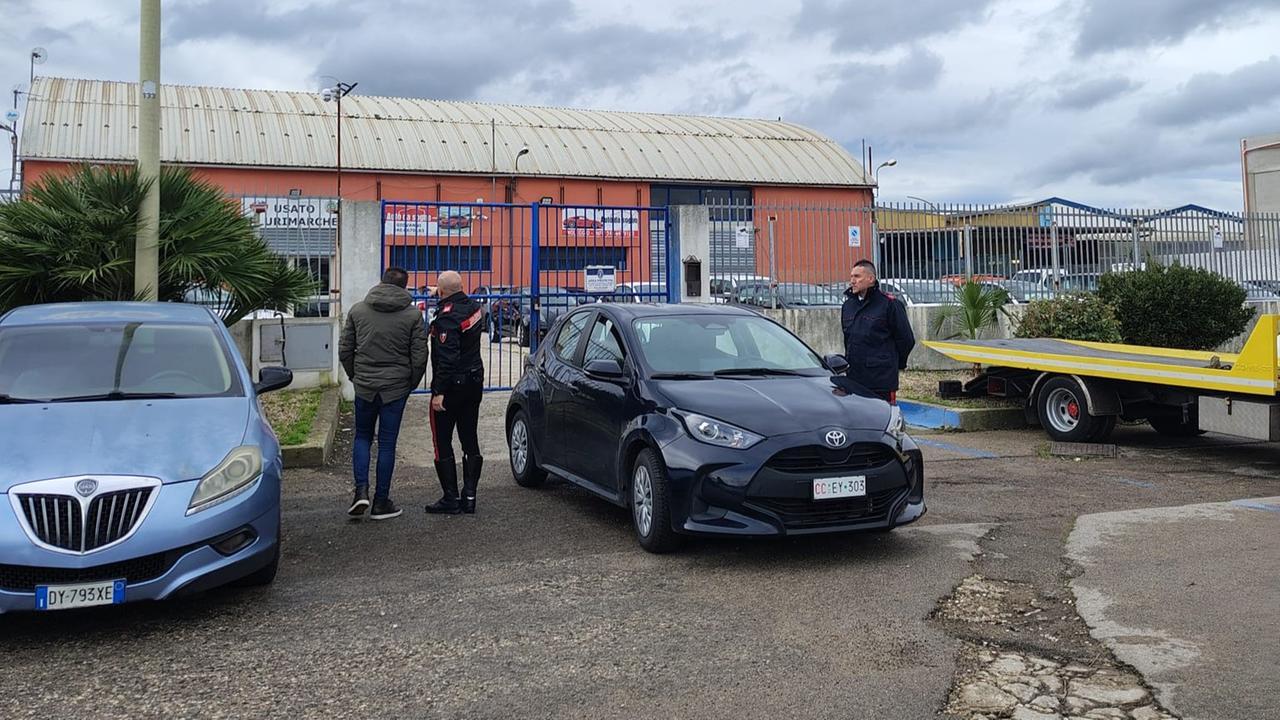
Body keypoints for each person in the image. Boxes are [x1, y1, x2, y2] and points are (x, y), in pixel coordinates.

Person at [339, 266, 429, 521]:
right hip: (395, 388)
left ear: (382, 282)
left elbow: (345, 349)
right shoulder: (412, 315)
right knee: (387, 444)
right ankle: (381, 501)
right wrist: (410, 383)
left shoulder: (358, 310)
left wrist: (355, 376)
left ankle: (360, 491)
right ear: (404, 286)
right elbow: (420, 356)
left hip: (365, 385)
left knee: (362, 437)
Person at [424, 271, 487, 515]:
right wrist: (440, 293)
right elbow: (454, 296)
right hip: (473, 382)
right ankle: (469, 496)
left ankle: (450, 497)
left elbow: (447, 358)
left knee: (442, 441)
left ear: (442, 292)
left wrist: (439, 391)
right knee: (469, 437)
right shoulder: (473, 307)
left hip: (451, 387)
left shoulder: (446, 319)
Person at [841, 259, 915, 403]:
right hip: (855, 379)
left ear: (871, 279)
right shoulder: (848, 306)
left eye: (857, 277)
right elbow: (848, 340)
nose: (852, 281)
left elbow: (906, 340)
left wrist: (893, 364)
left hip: (881, 380)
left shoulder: (889, 304)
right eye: (851, 277)